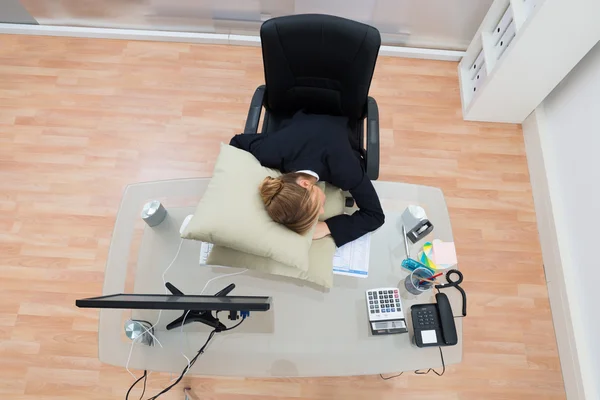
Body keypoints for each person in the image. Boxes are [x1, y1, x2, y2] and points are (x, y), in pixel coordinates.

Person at [230, 111, 385, 247]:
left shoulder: (344, 168)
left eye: (317, 208)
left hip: (340, 114)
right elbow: (235, 143)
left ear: (305, 184)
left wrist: (327, 227)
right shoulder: (269, 151)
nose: (323, 210)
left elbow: (375, 215)